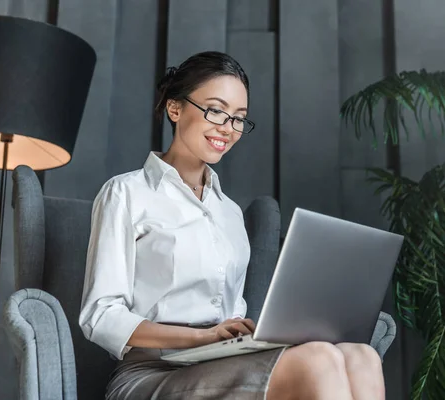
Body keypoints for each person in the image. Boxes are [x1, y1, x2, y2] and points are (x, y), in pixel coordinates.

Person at [79, 51, 384, 400]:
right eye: (216, 110)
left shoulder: (229, 212)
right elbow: (100, 316)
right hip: (153, 372)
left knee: (361, 356)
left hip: (221, 360)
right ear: (175, 109)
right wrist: (201, 337)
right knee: (317, 361)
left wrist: (245, 335)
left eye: (239, 118)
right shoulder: (126, 192)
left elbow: (231, 312)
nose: (228, 127)